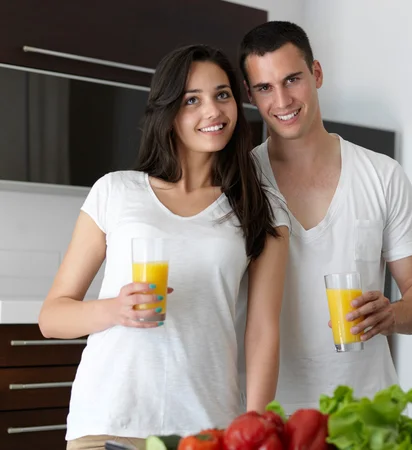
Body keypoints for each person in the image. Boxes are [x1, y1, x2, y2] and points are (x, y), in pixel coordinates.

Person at [38, 44, 290, 450]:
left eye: (222, 95)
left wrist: (257, 432)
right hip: (108, 418)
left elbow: (262, 332)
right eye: (193, 100)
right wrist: (113, 309)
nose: (213, 111)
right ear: (169, 111)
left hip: (205, 427)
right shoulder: (115, 191)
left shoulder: (259, 205)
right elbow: (52, 317)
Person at [236, 21, 412, 413]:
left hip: (368, 412)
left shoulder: (382, 175)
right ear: (250, 94)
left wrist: (393, 315)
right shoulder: (239, 183)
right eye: (264, 88)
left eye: (292, 79)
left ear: (316, 73)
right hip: (269, 415)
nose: (281, 100)